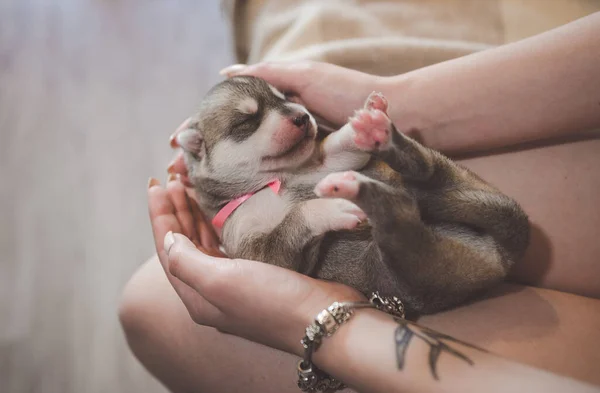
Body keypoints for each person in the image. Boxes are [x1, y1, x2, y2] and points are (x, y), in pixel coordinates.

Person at [119, 5, 600, 393]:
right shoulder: (244, 213)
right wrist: (393, 104)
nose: (295, 114)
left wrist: (315, 321)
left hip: (391, 265)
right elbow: (283, 234)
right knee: (157, 299)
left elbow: (330, 166)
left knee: (153, 303)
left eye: (282, 100)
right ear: (201, 154)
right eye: (248, 123)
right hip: (394, 252)